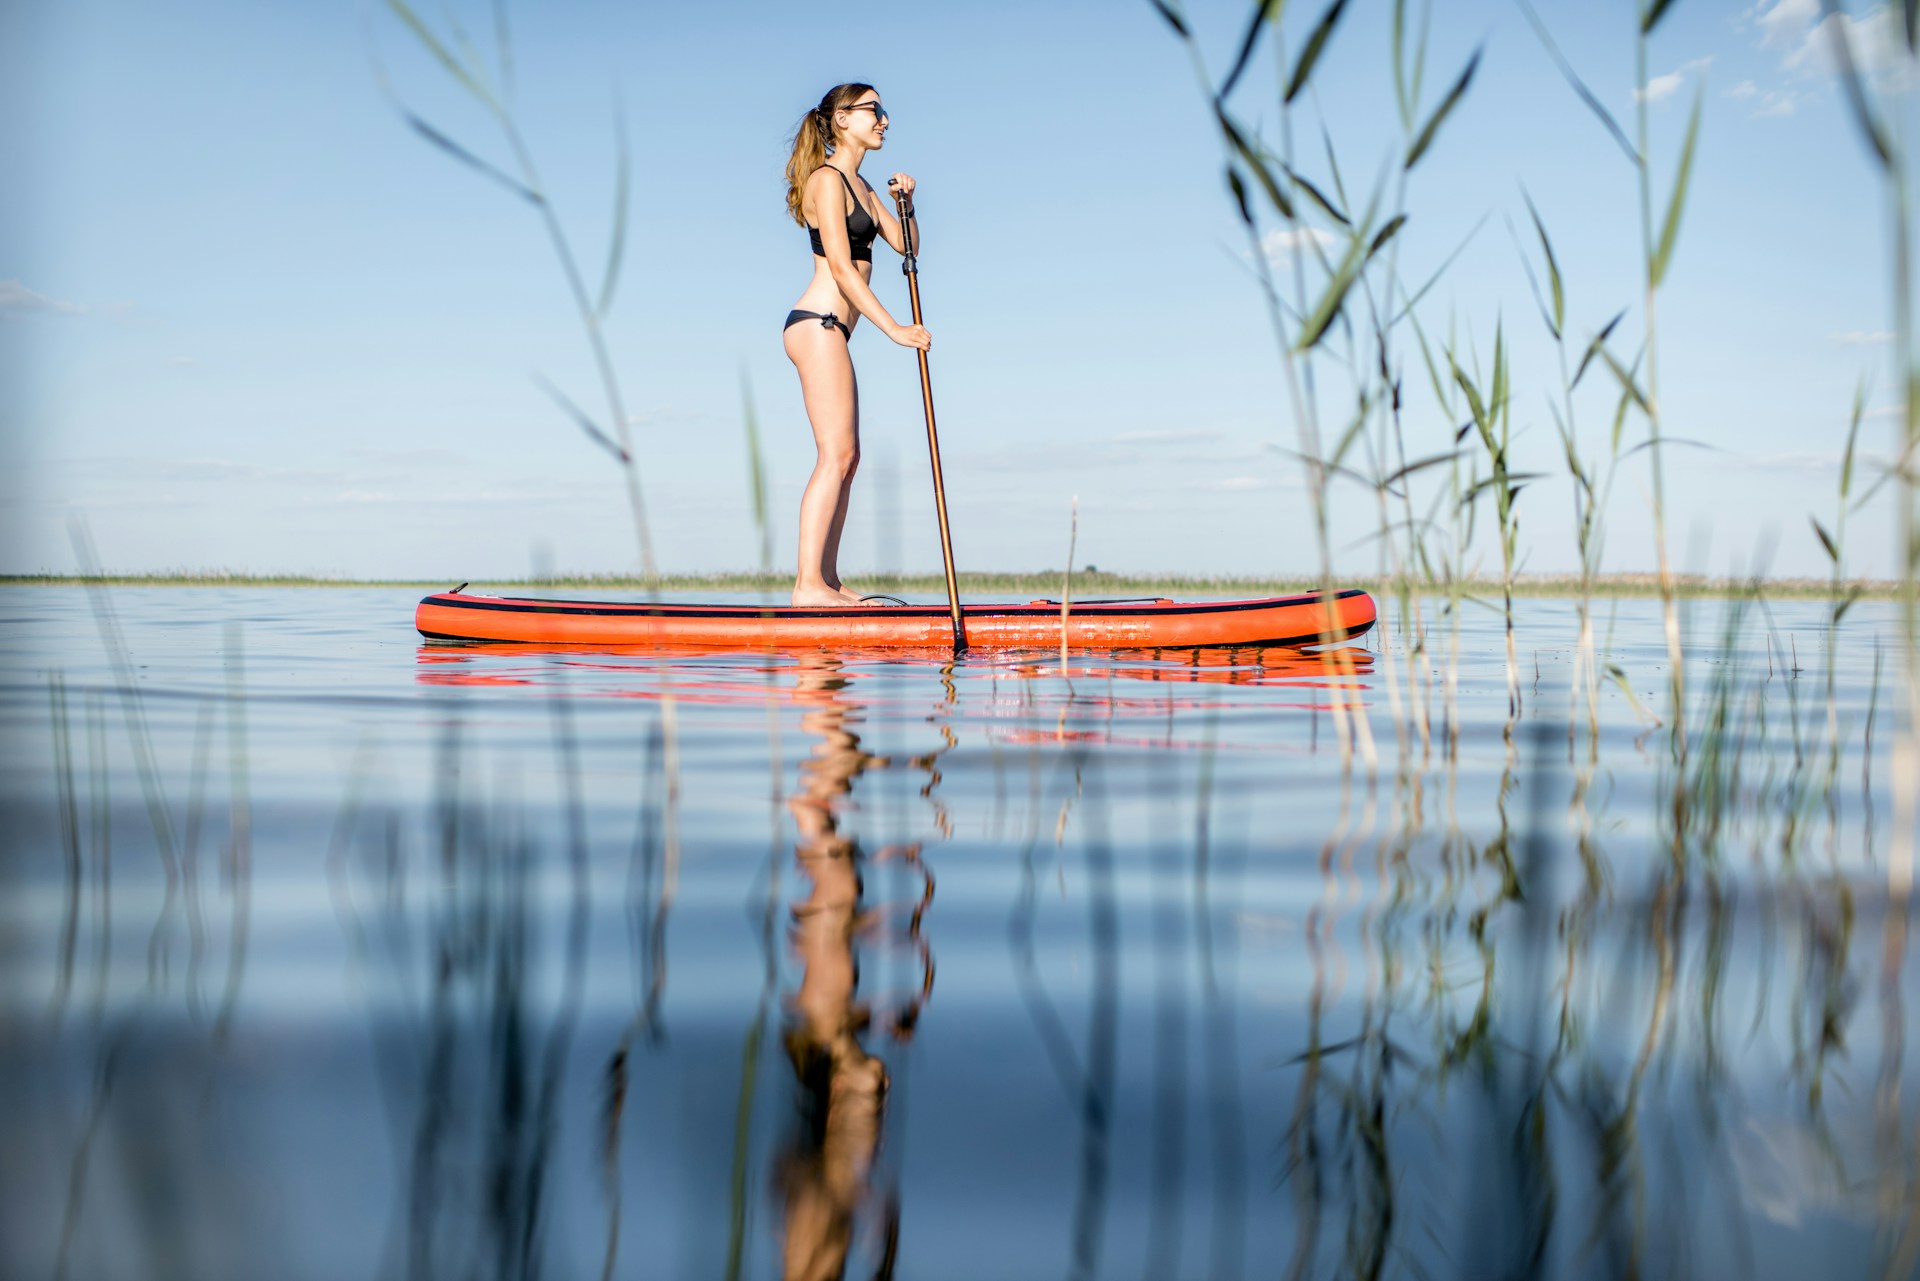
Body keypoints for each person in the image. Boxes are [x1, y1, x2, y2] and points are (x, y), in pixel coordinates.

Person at [782, 83, 931, 607]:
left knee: (849, 456)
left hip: (833, 329)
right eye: (874, 110)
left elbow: (906, 245)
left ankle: (827, 581)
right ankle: (807, 587)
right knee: (835, 455)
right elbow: (843, 270)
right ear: (842, 119)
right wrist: (894, 329)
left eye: (884, 111)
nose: (884, 119)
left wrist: (906, 204)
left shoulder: (864, 187)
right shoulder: (826, 180)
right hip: (817, 322)